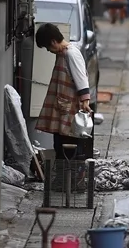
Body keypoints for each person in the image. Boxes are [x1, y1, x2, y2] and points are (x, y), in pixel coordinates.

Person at [34, 23, 92, 190]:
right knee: (60, 143)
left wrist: (85, 100)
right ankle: (62, 180)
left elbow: (81, 77)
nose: (48, 51)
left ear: (53, 41)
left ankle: (72, 181)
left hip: (69, 109)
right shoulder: (62, 54)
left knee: (70, 144)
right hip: (62, 108)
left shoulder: (71, 54)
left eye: (47, 47)